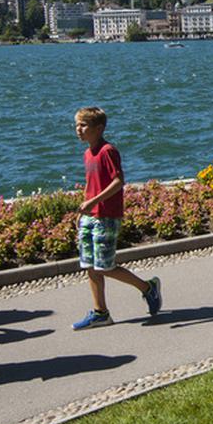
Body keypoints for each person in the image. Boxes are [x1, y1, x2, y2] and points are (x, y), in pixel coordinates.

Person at [70, 107, 162, 330]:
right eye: (76, 126)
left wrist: (93, 203)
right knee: (90, 265)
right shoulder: (87, 154)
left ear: (99, 128)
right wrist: (83, 211)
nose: (78, 130)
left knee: (104, 266)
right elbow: (91, 186)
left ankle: (148, 288)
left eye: (83, 126)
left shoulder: (107, 151)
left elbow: (118, 181)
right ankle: (101, 312)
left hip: (107, 216)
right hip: (90, 217)